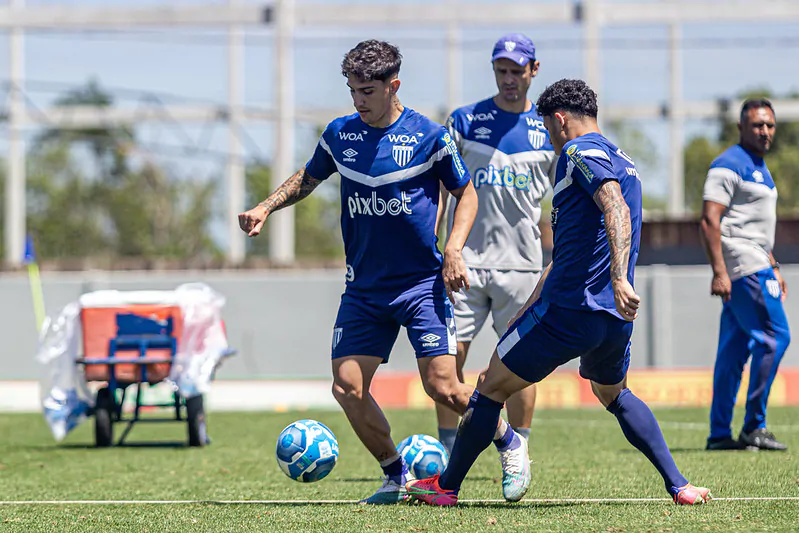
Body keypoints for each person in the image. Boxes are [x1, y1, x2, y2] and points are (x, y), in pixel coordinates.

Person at [238, 40, 529, 504]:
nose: (358, 101)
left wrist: (453, 247)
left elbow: (467, 194)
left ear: (394, 86)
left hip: (421, 285)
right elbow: (307, 178)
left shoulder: (431, 137)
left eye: (367, 92)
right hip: (364, 290)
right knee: (347, 387)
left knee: (443, 386)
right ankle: (396, 476)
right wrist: (266, 206)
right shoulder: (340, 134)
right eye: (352, 91)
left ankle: (509, 442)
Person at [406, 78, 712, 506]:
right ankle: (679, 485)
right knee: (614, 393)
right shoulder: (622, 158)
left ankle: (447, 487)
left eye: (548, 128)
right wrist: (534, 303)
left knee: (490, 387)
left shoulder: (577, 151)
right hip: (612, 317)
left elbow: (615, 208)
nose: (549, 138)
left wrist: (619, 277)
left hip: (571, 309)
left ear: (561, 119)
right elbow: (577, 246)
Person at [435, 33, 555, 466]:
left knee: (521, 362)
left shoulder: (549, 128)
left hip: (523, 266)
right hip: (465, 262)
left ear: (533, 71)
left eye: (516, 71)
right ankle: (450, 453)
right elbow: (443, 189)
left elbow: (562, 199)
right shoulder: (465, 121)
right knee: (450, 360)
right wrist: (441, 245)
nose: (508, 79)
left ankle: (518, 447)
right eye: (501, 70)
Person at [701, 98, 790, 452]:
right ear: (741, 127)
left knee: (733, 350)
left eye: (769, 125)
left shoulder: (760, 167)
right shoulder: (729, 163)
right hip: (743, 266)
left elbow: (754, 226)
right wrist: (719, 272)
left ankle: (719, 434)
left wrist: (774, 264)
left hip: (758, 261)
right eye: (757, 125)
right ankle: (755, 425)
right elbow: (710, 220)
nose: (764, 131)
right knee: (774, 337)